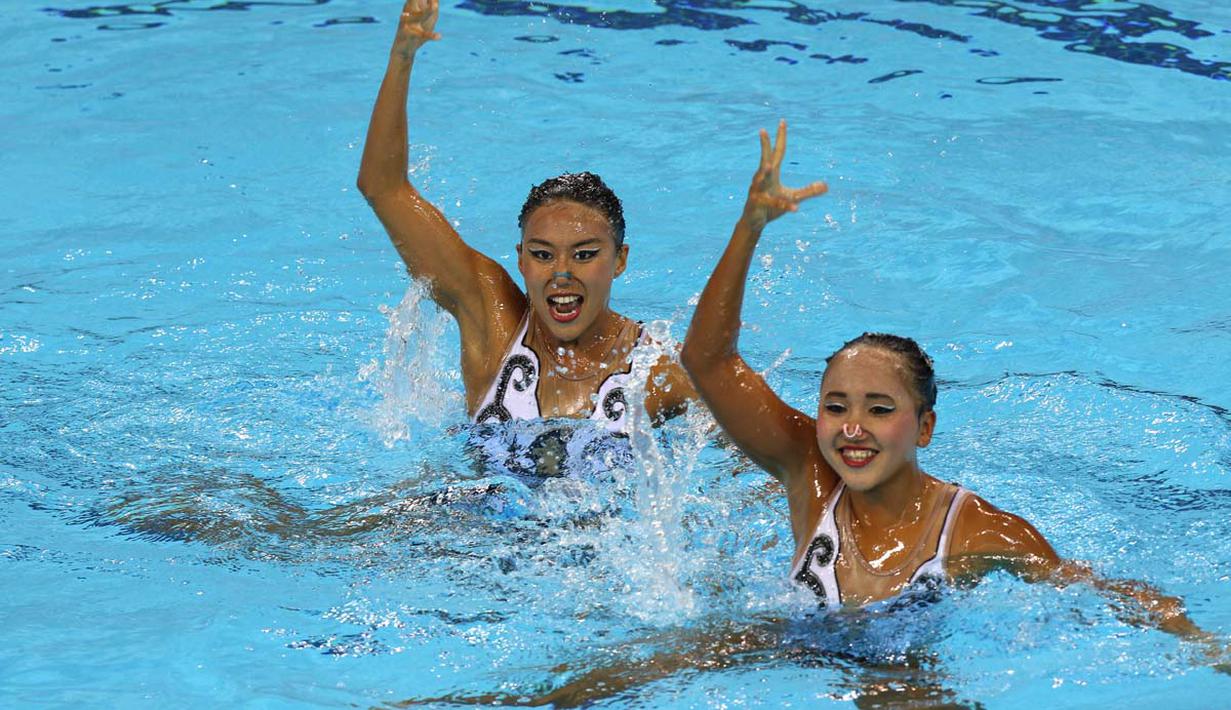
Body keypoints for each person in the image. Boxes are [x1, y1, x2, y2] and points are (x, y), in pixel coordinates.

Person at [679, 121, 1229, 647]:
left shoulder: (977, 532)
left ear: (925, 428)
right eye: (836, 405)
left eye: (878, 409)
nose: (851, 427)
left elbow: (1097, 589)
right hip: (793, 639)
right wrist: (749, 225)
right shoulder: (808, 471)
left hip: (903, 670)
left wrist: (1202, 644)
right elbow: (708, 362)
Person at [357, 0, 694, 435]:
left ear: (620, 259)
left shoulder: (658, 367)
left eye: (585, 254)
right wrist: (402, 57)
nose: (561, 274)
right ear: (521, 258)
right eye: (542, 254)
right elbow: (382, 188)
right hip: (462, 504)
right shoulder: (492, 321)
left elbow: (757, 452)